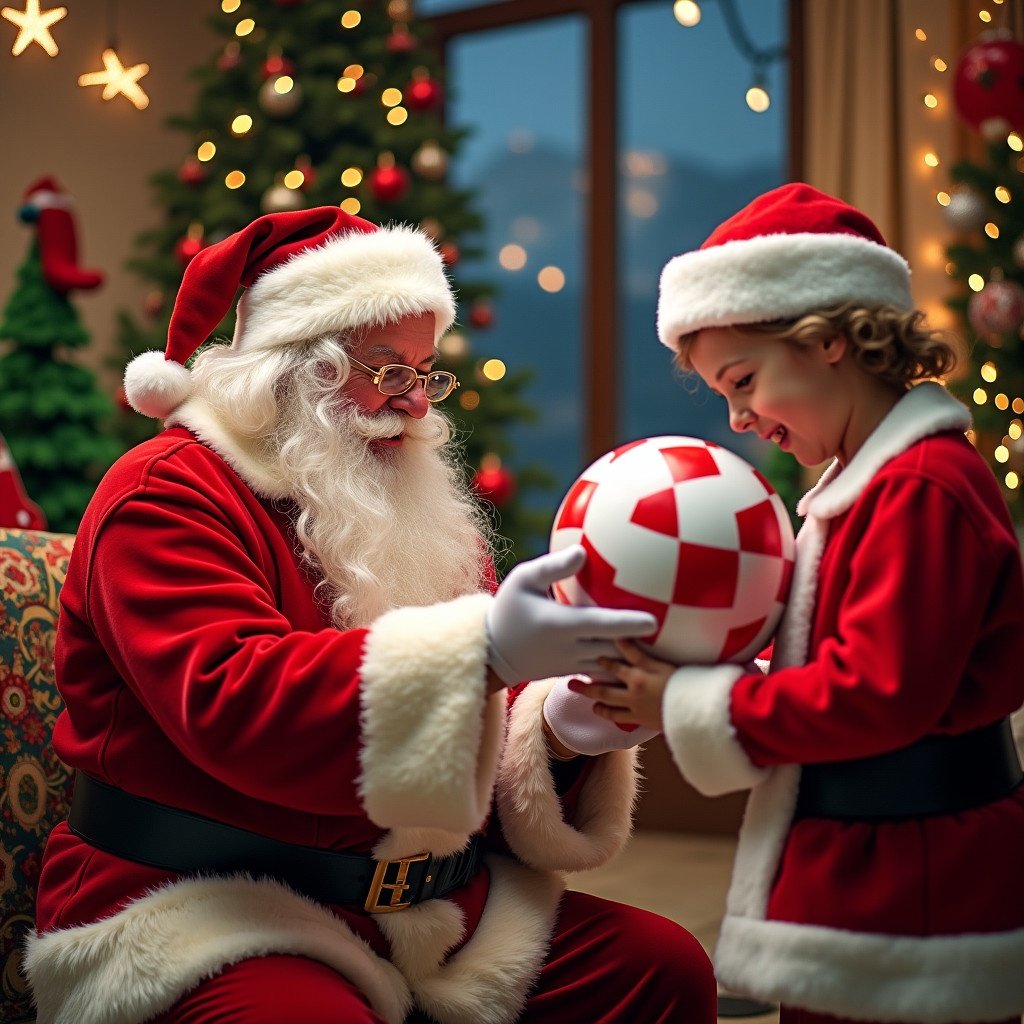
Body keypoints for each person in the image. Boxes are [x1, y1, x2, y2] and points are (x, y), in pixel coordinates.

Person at [25, 207, 716, 1024]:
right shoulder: (168, 492)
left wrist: (557, 732)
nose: (416, 405)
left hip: (425, 916)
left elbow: (461, 749)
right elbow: (236, 703)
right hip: (201, 907)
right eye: (386, 371)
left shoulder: (415, 506)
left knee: (660, 969)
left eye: (426, 373)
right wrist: (485, 649)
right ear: (288, 367)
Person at [556, 183, 1024, 1024]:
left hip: (910, 888)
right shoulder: (864, 483)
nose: (740, 419)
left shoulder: (922, 488)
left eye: (744, 381)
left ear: (831, 339)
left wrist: (695, 700)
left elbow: (880, 691)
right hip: (867, 868)